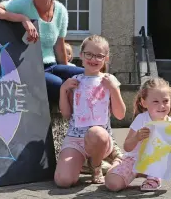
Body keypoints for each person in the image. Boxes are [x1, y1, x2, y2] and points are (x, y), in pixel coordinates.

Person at [0, 0, 84, 104]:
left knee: (87, 77)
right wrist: (23, 19)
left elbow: (59, 47)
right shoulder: (24, 4)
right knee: (58, 85)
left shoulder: (61, 10)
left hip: (52, 65)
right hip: (29, 67)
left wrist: (66, 71)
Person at [54, 35, 126, 187]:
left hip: (100, 140)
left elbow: (120, 115)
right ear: (81, 55)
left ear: (106, 58)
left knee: (96, 133)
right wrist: (63, 89)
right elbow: (66, 114)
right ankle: (91, 163)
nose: (93, 59)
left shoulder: (109, 80)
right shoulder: (74, 81)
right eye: (89, 54)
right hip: (75, 140)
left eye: (99, 56)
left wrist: (114, 88)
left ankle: (97, 165)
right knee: (63, 181)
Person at [105, 78, 171, 192]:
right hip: (134, 160)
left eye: (165, 101)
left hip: (155, 163)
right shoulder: (141, 119)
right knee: (112, 184)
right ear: (144, 103)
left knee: (157, 166)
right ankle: (117, 163)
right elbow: (127, 146)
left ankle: (153, 178)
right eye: (155, 101)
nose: (162, 106)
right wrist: (137, 137)